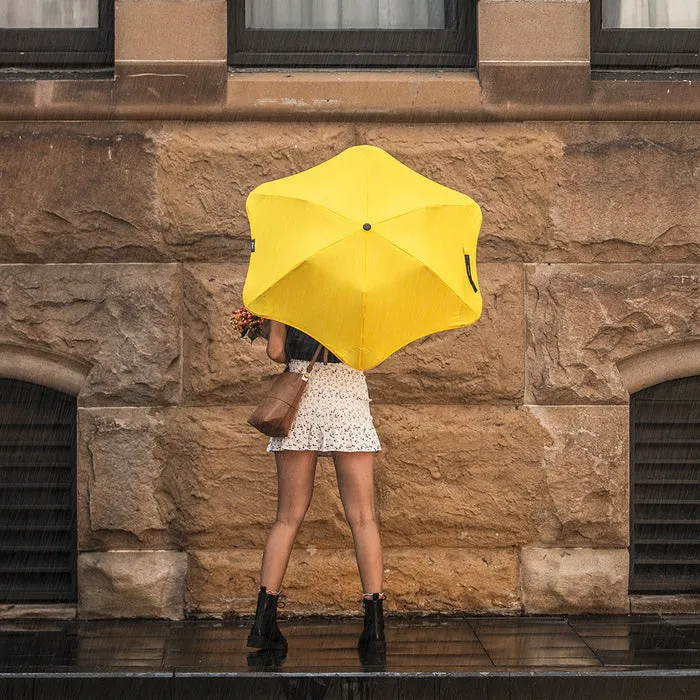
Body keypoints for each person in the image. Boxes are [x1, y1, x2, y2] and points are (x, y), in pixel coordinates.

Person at [246, 320, 386, 658]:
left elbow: (276, 351)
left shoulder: (291, 285)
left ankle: (264, 625)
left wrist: (263, 328)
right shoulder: (361, 290)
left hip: (301, 395)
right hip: (347, 395)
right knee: (363, 517)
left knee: (287, 517)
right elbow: (373, 359)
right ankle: (374, 631)